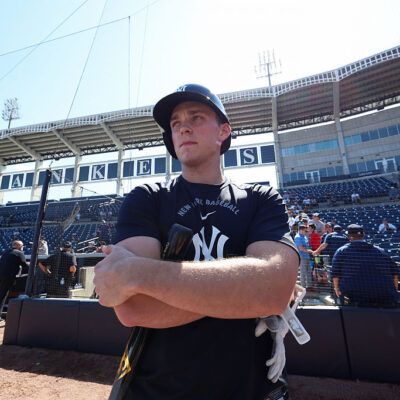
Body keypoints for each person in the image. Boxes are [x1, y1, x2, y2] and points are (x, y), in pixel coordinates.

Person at [93, 84, 299, 399]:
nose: (183, 126)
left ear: (223, 132)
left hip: (250, 387)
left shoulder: (261, 198)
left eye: (197, 117)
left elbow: (273, 289)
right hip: (155, 389)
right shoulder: (147, 198)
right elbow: (134, 308)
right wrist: (247, 293)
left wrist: (137, 273)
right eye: (175, 123)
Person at [332, 224, 400, 307]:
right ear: (363, 235)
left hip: (354, 297)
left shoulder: (341, 251)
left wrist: (336, 288)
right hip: (384, 296)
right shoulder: (380, 251)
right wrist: (395, 289)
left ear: (349, 236)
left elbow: (335, 273)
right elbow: (395, 272)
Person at [0, 240, 29, 321]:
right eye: (22, 246)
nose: (23, 247)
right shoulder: (19, 253)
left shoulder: (6, 252)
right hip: (8, 277)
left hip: (1, 275)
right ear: (18, 246)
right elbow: (25, 266)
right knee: (3, 295)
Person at [294, 224, 314, 289]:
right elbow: (301, 248)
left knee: (308, 272)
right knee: (303, 273)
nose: (307, 232)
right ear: (301, 230)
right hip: (302, 257)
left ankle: (309, 286)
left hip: (307, 256)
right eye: (305, 231)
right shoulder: (297, 237)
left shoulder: (304, 237)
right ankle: (303, 288)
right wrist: (310, 251)